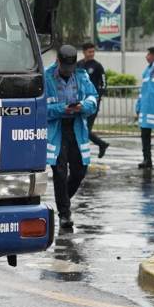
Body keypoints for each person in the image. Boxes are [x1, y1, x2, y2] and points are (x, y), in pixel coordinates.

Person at [44, 45, 99, 232]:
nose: (68, 72)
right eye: (65, 68)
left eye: (71, 68)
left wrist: (82, 106)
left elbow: (93, 98)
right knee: (59, 172)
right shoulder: (46, 77)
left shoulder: (81, 76)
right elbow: (40, 108)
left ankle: (62, 202)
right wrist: (62, 109)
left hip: (76, 129)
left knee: (79, 171)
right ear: (58, 62)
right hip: (56, 130)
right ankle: (65, 214)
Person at [134, 46, 154, 169]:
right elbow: (143, 91)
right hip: (146, 108)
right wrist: (138, 106)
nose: (146, 56)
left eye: (148, 54)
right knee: (145, 135)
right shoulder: (146, 71)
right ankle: (147, 160)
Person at [78, 42, 110, 159]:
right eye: (89, 52)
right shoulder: (79, 65)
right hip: (80, 102)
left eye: (93, 52)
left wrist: (98, 97)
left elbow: (104, 82)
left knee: (85, 129)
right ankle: (102, 144)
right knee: (81, 128)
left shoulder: (97, 66)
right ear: (84, 52)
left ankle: (82, 155)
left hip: (92, 103)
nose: (91, 54)